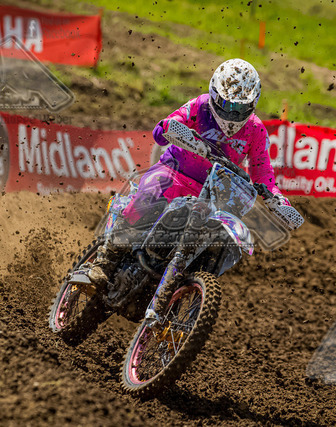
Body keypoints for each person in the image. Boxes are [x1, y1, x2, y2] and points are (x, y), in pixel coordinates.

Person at [70, 58, 292, 294]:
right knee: (152, 191)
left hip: (213, 193)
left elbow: (262, 172)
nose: (231, 114)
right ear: (215, 94)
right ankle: (105, 261)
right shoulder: (200, 106)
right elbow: (163, 129)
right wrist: (172, 127)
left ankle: (187, 289)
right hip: (173, 173)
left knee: (221, 238)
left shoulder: (256, 130)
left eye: (239, 109)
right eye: (227, 105)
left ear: (252, 104)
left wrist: (276, 198)